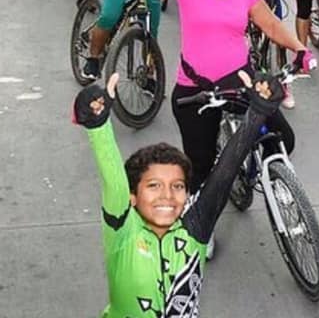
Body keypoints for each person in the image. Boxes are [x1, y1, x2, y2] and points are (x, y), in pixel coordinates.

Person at [126, 0, 310, 206]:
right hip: (196, 91)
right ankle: (202, 227)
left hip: (241, 81)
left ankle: (271, 176)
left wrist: (300, 49)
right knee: (200, 168)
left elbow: (270, 24)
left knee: (282, 138)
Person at [73, 66, 292, 315]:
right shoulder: (123, 231)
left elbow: (224, 173)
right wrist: (98, 127)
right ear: (132, 197)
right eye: (154, 186)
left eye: (177, 186)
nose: (167, 195)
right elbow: (113, 180)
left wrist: (257, 114)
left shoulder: (194, 232)